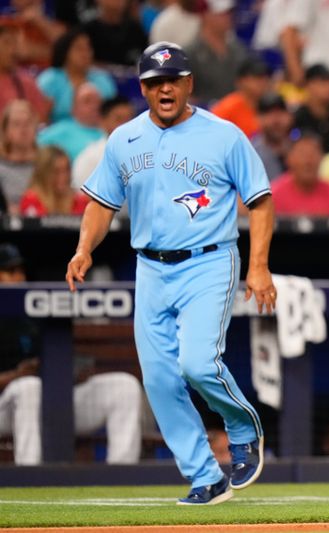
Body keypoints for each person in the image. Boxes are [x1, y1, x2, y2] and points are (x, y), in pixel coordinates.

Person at [65, 42, 275, 505]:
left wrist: (258, 268)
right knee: (159, 379)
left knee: (197, 364)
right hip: (150, 267)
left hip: (209, 259)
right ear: (142, 88)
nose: (164, 89)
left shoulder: (223, 135)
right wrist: (83, 249)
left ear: (188, 84)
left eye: (172, 80)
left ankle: (240, 426)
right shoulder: (123, 138)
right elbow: (102, 203)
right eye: (155, 82)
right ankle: (205, 476)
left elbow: (260, 201)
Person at [0, 243, 143, 465]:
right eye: (10, 272)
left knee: (125, 387)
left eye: (20, 271)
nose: (18, 277)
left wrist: (70, 370)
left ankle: (121, 477)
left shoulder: (34, 313)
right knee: (29, 388)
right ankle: (30, 475)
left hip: (56, 397)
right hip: (8, 406)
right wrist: (17, 376)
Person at [36, 27, 117, 123]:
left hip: (98, 133)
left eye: (88, 48)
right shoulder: (50, 79)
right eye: (79, 49)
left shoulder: (102, 79)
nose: (85, 53)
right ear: (65, 52)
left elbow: (113, 115)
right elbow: (40, 118)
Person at [270, 133, 329, 217]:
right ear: (289, 159)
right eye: (302, 154)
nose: (308, 161)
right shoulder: (273, 195)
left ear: (322, 158)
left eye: (313, 154)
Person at [72, 95, 135, 189]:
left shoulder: (146, 151)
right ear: (103, 121)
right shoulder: (90, 158)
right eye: (119, 119)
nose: (126, 125)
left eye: (130, 119)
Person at [36, 82, 105, 162]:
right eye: (87, 101)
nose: (94, 106)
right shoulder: (60, 130)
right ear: (74, 107)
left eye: (98, 101)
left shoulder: (111, 131)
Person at [0, 23, 51, 123]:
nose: (13, 49)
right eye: (7, 43)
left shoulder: (26, 81)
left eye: (15, 43)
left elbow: (41, 121)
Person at [19, 145, 89, 216]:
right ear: (44, 173)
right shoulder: (31, 200)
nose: (63, 176)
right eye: (56, 172)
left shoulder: (80, 201)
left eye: (66, 170)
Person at [210, 60, 272, 138]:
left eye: (266, 77)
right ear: (241, 81)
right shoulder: (227, 108)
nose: (263, 81)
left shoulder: (271, 106)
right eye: (257, 77)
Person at [0, 99, 38, 214]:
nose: (23, 129)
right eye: (16, 124)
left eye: (28, 123)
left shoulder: (48, 163)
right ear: (5, 131)